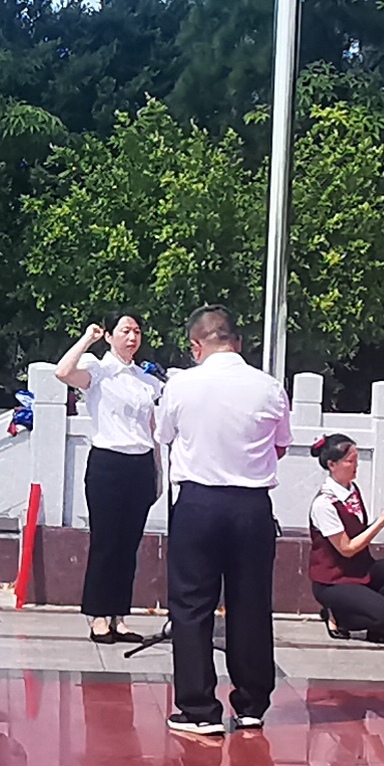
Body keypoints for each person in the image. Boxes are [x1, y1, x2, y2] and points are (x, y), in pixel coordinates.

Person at [154, 309, 291, 739]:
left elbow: (165, 436)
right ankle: (251, 705)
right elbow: (281, 445)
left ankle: (199, 708)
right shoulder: (268, 386)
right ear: (237, 342)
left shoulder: (181, 385)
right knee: (251, 603)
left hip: (199, 502)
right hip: (252, 505)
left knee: (192, 605)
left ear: (196, 346)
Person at [56, 316, 164, 644]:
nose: (132, 337)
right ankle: (98, 615)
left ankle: (119, 615)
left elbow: (151, 427)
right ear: (110, 336)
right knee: (106, 542)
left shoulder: (146, 379)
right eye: (125, 331)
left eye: (136, 332)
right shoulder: (99, 371)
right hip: (108, 464)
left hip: (140, 464)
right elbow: (63, 372)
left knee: (128, 545)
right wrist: (87, 338)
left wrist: (158, 471)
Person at [303, 435, 384, 643]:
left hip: (359, 571)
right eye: (350, 461)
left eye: (356, 460)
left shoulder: (352, 491)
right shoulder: (325, 504)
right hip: (334, 581)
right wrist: (382, 521)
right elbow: (347, 548)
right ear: (332, 465)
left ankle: (378, 629)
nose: (355, 466)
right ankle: (338, 615)